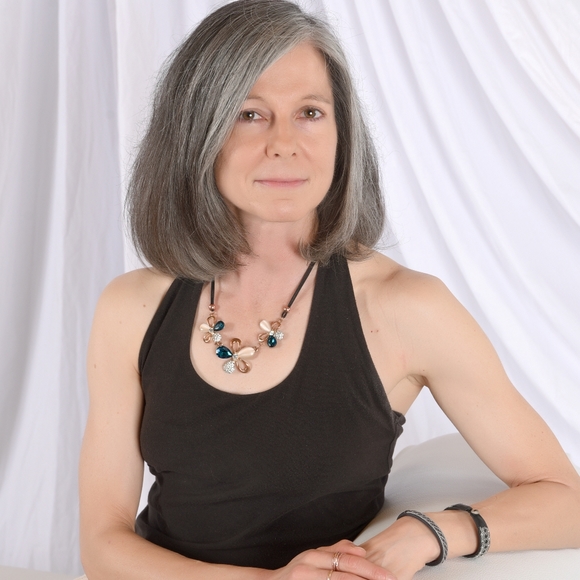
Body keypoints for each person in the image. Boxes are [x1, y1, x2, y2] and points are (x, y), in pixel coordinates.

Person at [78, 1, 580, 579]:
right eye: (249, 114)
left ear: (342, 133)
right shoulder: (132, 308)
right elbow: (102, 545)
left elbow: (564, 498)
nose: (284, 143)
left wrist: (434, 531)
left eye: (310, 113)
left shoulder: (405, 308)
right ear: (198, 132)